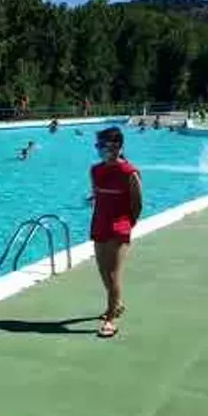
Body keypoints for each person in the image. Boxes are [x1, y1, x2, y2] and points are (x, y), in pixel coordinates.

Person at [88, 127, 143, 338]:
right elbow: (97, 196)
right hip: (99, 224)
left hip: (119, 227)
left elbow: (137, 204)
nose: (100, 150)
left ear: (118, 147)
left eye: (104, 146)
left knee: (113, 274)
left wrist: (127, 226)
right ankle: (117, 304)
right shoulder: (95, 170)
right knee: (103, 271)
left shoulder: (130, 173)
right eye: (98, 146)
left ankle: (110, 319)